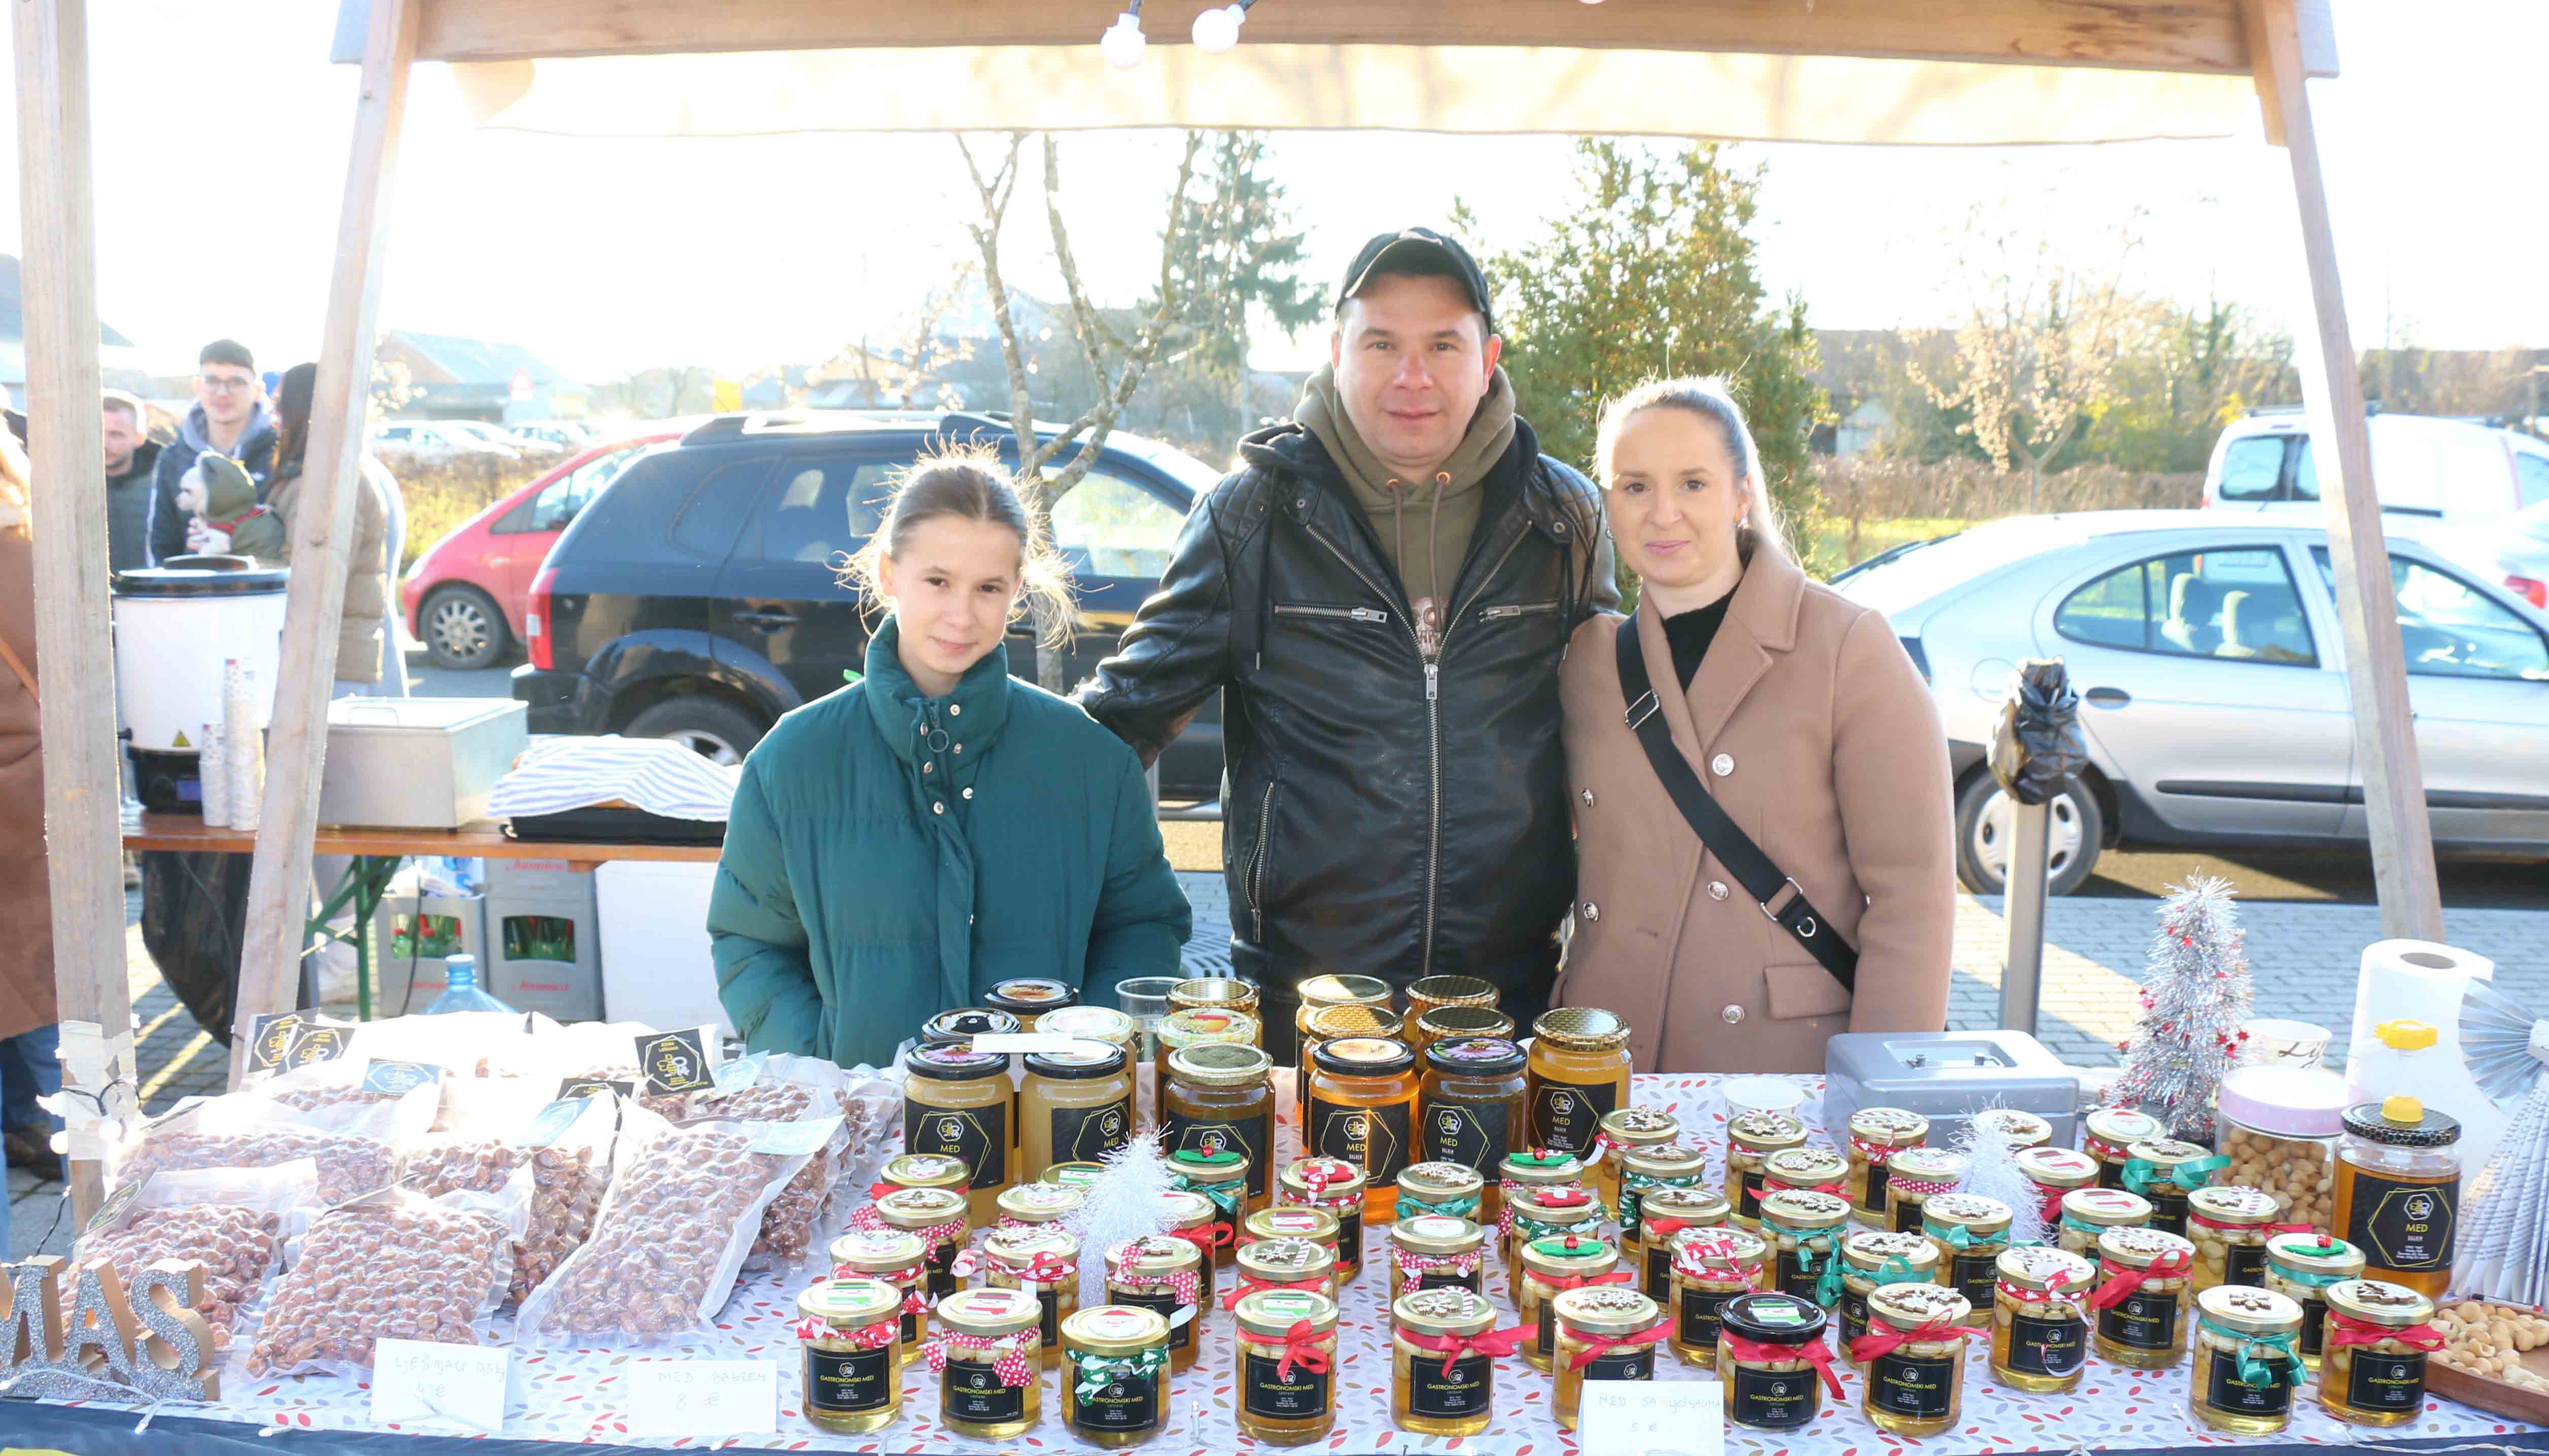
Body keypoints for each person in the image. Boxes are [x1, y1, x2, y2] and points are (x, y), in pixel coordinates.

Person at [1074, 227, 1614, 1055]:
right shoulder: (1248, 517)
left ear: (1488, 356)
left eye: (1442, 343)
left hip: (1507, 1000)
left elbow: (1616, 737)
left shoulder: (1563, 517)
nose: (1411, 375)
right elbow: (1114, 728)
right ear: (1334, 352)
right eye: (1380, 343)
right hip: (1305, 998)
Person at [708, 444, 1191, 1068]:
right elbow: (751, 942)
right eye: (937, 581)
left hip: (1049, 1131)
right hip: (864, 1133)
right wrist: (819, 1067)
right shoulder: (791, 761)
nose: (961, 615)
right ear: (889, 575)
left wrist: (1084, 1055)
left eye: (988, 587)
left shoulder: (1093, 763)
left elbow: (1144, 925)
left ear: (1016, 591)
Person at [1554, 378, 1953, 1074]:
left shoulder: (1846, 646)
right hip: (1603, 1069)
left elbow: (1912, 899)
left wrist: (1882, 1101)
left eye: (1694, 483)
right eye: (1636, 486)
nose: (1664, 513)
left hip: (1779, 1080)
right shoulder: (1588, 661)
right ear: (1608, 503)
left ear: (1741, 494)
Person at [0, 430, 62, 1190]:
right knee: (41, 980)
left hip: (22, 787)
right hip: (38, 786)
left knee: (39, 992)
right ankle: (42, 1128)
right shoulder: (39, 533)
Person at [262, 363, 398, 694]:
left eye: (280, 403)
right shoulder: (319, 472)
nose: (273, 413)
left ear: (301, 408)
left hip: (329, 663)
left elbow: (319, 576)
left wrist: (242, 557)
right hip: (322, 656)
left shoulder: (330, 481)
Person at [151, 339, 274, 565]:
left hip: (264, 593)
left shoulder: (278, 452)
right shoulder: (174, 458)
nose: (223, 392)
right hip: (193, 594)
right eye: (212, 381)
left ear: (258, 391)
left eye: (237, 382)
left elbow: (274, 518)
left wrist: (234, 534)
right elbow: (161, 544)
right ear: (197, 387)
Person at [102, 389, 161, 574]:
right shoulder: (68, 489)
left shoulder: (164, 486)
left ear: (139, 438)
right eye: (98, 433)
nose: (104, 443)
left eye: (116, 435)